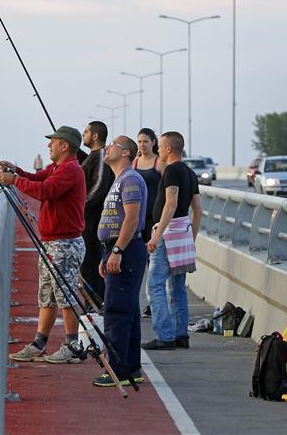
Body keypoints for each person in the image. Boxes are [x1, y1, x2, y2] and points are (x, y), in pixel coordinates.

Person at [0, 126, 88, 364]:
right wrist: (15, 171)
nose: (49, 145)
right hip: (51, 244)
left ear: (65, 145)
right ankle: (39, 344)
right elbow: (37, 178)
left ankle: (72, 346)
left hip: (65, 244)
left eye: (53, 142)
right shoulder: (57, 168)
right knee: (47, 295)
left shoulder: (70, 170)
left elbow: (45, 190)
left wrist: (14, 180)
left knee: (66, 295)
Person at [92, 135, 147, 387]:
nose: (106, 148)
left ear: (125, 153)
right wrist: (108, 252)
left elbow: (132, 219)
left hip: (125, 250)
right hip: (117, 250)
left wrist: (116, 250)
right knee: (129, 312)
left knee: (116, 311)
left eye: (112, 144)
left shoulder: (131, 179)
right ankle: (131, 368)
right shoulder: (119, 180)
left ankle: (116, 370)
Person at [141, 131, 202, 351]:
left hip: (167, 235)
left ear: (168, 149)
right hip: (183, 235)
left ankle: (165, 337)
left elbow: (171, 204)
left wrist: (156, 236)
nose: (157, 150)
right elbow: (198, 210)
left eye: (160, 146)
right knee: (177, 287)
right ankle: (180, 335)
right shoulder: (190, 172)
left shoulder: (171, 171)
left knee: (155, 285)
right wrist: (191, 239)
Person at [80, 121, 115, 309]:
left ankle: (96, 306)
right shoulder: (92, 156)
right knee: (87, 265)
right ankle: (91, 305)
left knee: (91, 265)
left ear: (95, 136)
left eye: (86, 132)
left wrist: (79, 205)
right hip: (87, 220)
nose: (82, 134)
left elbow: (99, 187)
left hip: (93, 222)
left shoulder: (101, 155)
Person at [133, 128, 164, 318]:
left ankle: (154, 304)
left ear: (153, 142)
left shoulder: (159, 163)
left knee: (155, 263)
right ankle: (140, 303)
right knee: (140, 262)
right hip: (138, 218)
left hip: (155, 218)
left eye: (145, 141)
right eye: (139, 141)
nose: (142, 145)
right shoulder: (134, 163)